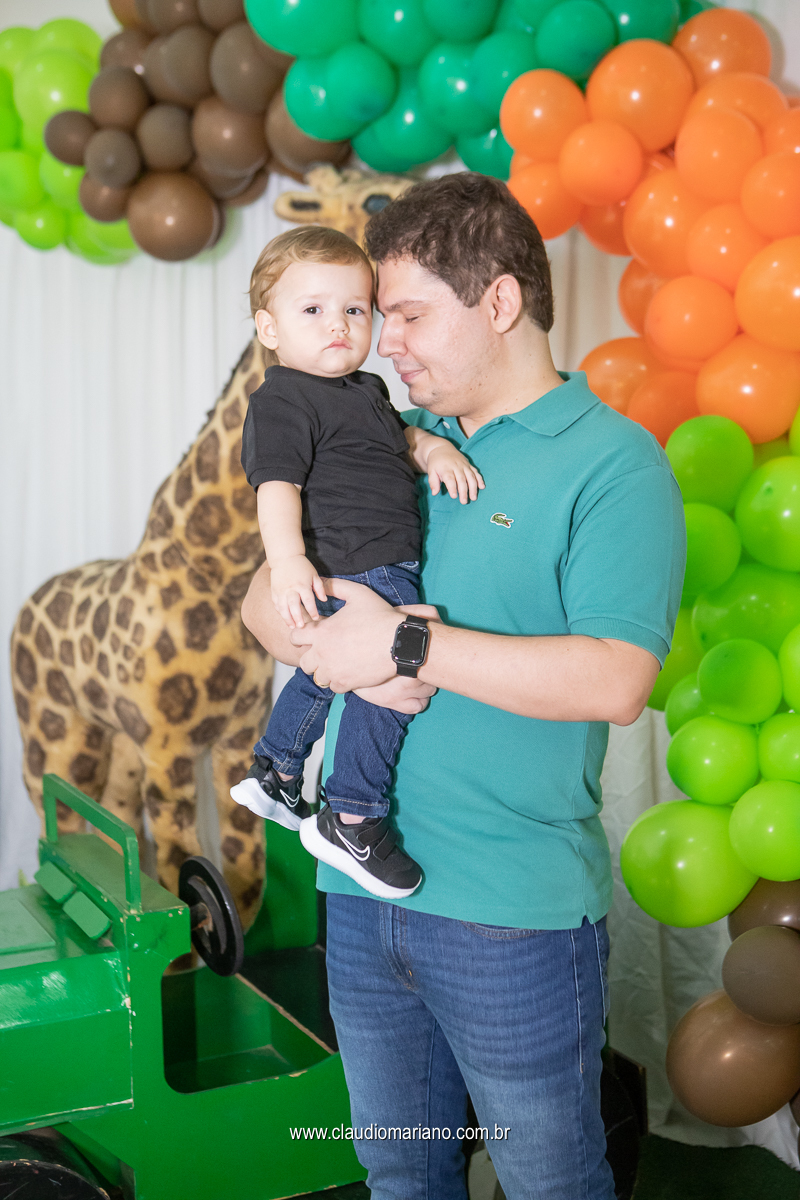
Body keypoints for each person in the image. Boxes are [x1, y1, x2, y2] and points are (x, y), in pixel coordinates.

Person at [242, 174, 686, 1200]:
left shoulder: (616, 465)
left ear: (498, 301)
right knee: (399, 1174)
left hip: (511, 918)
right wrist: (325, 631)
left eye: (404, 314)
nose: (381, 341)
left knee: (550, 1184)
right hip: (359, 894)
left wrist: (402, 646)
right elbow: (260, 601)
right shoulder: (388, 434)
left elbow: (617, 679)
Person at [231, 225, 484, 901]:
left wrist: (432, 449)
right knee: (390, 682)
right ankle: (352, 814)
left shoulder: (366, 389)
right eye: (313, 309)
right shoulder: (283, 397)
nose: (338, 325)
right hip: (357, 560)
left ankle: (278, 770)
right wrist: (287, 560)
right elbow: (276, 484)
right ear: (270, 328)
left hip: (376, 560)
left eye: (353, 309)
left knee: (325, 672)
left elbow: (398, 438)